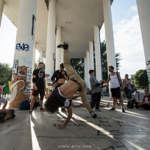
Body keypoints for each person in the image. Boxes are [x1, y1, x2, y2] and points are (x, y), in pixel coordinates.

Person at [45, 43, 97, 129]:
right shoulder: (54, 92)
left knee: (85, 101)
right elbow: (48, 97)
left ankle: (91, 112)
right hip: (74, 77)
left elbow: (70, 115)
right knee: (66, 64)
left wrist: (64, 125)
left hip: (81, 85)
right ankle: (65, 49)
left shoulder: (65, 102)